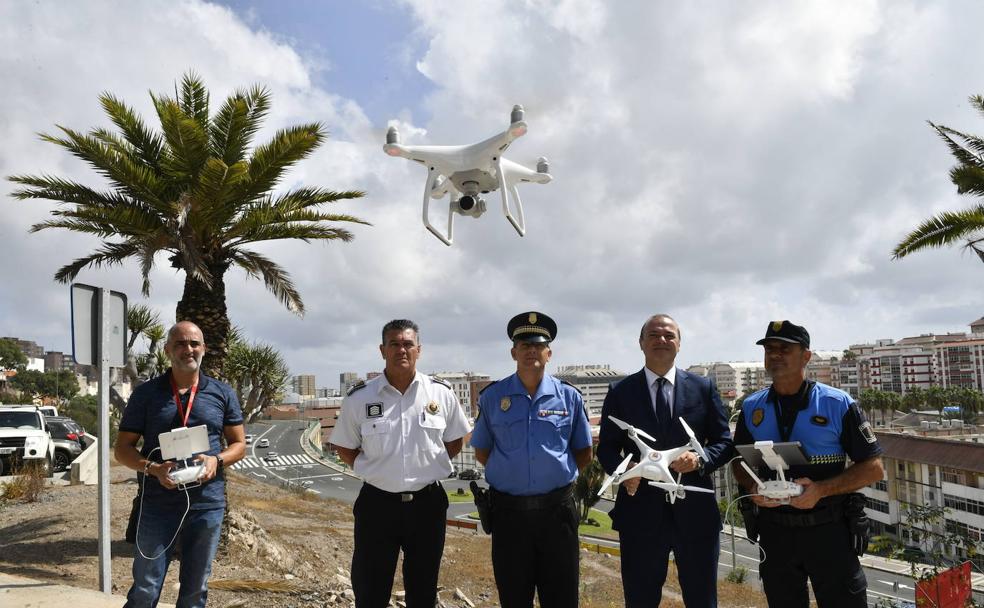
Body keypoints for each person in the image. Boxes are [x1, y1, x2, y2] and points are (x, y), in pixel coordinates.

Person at [732, 320, 884, 608]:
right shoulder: (752, 407)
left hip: (829, 531)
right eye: (769, 349)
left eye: (784, 348)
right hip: (775, 534)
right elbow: (739, 460)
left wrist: (821, 490)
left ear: (806, 356)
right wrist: (752, 486)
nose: (775, 354)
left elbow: (873, 467)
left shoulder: (837, 403)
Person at [329, 319, 471, 608]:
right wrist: (373, 471)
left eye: (408, 344)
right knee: (370, 591)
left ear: (419, 350)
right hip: (377, 506)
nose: (401, 350)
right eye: (394, 344)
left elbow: (458, 438)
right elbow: (344, 446)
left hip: (427, 505)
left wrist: (431, 463)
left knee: (423, 590)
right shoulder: (361, 398)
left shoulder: (440, 393)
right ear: (382, 350)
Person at [597, 313, 734, 608]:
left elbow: (724, 442)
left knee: (702, 600)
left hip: (695, 514)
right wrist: (626, 471)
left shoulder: (703, 388)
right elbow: (606, 448)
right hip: (639, 513)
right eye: (654, 335)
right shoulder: (619, 392)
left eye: (669, 335)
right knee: (640, 599)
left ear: (680, 344)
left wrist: (700, 459)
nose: (662, 340)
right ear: (641, 343)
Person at [115, 321, 246, 608]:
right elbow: (122, 449)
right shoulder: (146, 394)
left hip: (206, 505)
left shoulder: (222, 393)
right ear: (167, 350)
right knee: (146, 588)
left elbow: (239, 445)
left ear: (204, 349)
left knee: (195, 590)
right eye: (181, 343)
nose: (188, 349)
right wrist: (152, 468)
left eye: (194, 343)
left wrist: (216, 460)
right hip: (157, 503)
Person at [470, 311, 593, 608]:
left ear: (549, 353)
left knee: (562, 598)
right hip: (509, 516)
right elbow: (482, 451)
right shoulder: (492, 397)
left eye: (538, 346)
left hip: (558, 514)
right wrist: (513, 474)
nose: (531, 352)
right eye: (524, 346)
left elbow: (584, 453)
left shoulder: (569, 397)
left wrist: (552, 475)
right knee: (514, 597)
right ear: (513, 352)